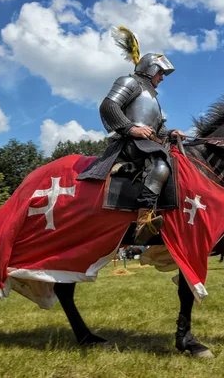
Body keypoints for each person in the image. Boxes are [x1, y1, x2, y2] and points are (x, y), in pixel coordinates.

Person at [78, 27, 186, 244]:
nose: (162, 79)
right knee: (160, 165)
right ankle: (143, 220)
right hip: (129, 142)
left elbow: (156, 130)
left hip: (145, 142)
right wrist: (130, 129)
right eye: (160, 73)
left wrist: (171, 132)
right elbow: (109, 106)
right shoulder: (129, 82)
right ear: (150, 69)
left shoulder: (152, 97)